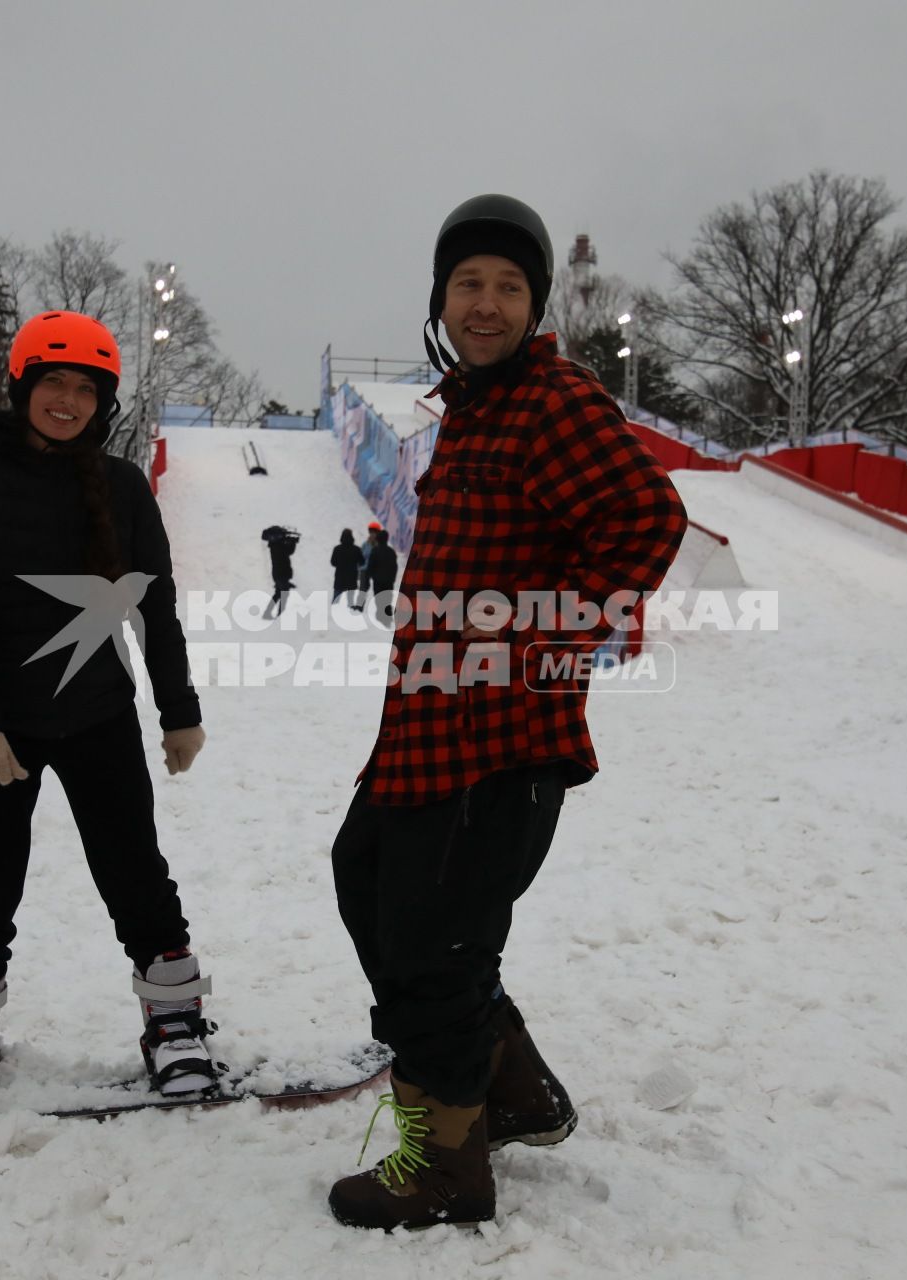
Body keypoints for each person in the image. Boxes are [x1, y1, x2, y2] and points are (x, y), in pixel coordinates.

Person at [326, 195, 687, 1229]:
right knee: (372, 885)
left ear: (536, 304)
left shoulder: (551, 399)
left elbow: (648, 516)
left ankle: (447, 1163)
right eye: (468, 283)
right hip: (427, 728)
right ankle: (515, 1089)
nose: (486, 304)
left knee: (432, 944)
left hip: (498, 739)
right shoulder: (479, 404)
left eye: (509, 287)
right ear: (441, 297)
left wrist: (543, 643)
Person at [0, 311, 213, 1117]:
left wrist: (176, 710)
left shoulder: (120, 487)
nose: (68, 399)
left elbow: (156, 606)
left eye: (86, 388)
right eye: (54, 382)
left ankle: (177, 1023)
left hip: (97, 716)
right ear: (22, 388)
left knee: (135, 874)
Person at [365, 527, 398, 626]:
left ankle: (381, 618)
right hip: (389, 581)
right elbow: (394, 567)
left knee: (379, 599)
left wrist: (370, 576)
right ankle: (387, 618)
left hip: (378, 580)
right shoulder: (391, 552)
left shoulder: (375, 550)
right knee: (387, 599)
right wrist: (392, 578)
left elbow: (371, 565)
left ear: (378, 539)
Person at [329, 528, 361, 605]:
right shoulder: (357, 549)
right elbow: (362, 562)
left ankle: (334, 613)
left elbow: (333, 562)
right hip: (352, 579)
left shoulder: (337, 549)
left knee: (336, 600)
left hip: (340, 577)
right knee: (350, 602)